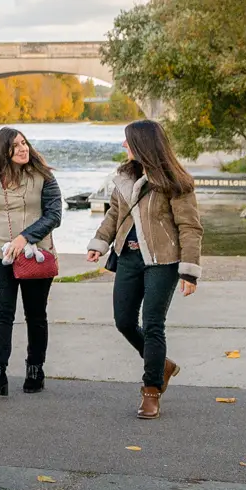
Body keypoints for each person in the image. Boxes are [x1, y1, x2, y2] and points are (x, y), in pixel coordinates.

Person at [86, 119, 203, 421]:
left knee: (152, 324)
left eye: (127, 140)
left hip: (162, 260)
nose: (123, 145)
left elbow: (190, 227)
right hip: (128, 257)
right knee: (124, 321)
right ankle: (161, 364)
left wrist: (189, 271)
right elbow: (115, 214)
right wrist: (100, 242)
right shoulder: (124, 178)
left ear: (142, 144)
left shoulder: (175, 181)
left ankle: (151, 390)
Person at [0, 127, 63, 397]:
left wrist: (25, 237)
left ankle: (35, 369)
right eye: (16, 145)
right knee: (1, 313)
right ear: (2, 150)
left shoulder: (44, 176)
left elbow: (54, 215)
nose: (23, 148)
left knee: (36, 314)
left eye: (24, 143)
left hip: (36, 253)